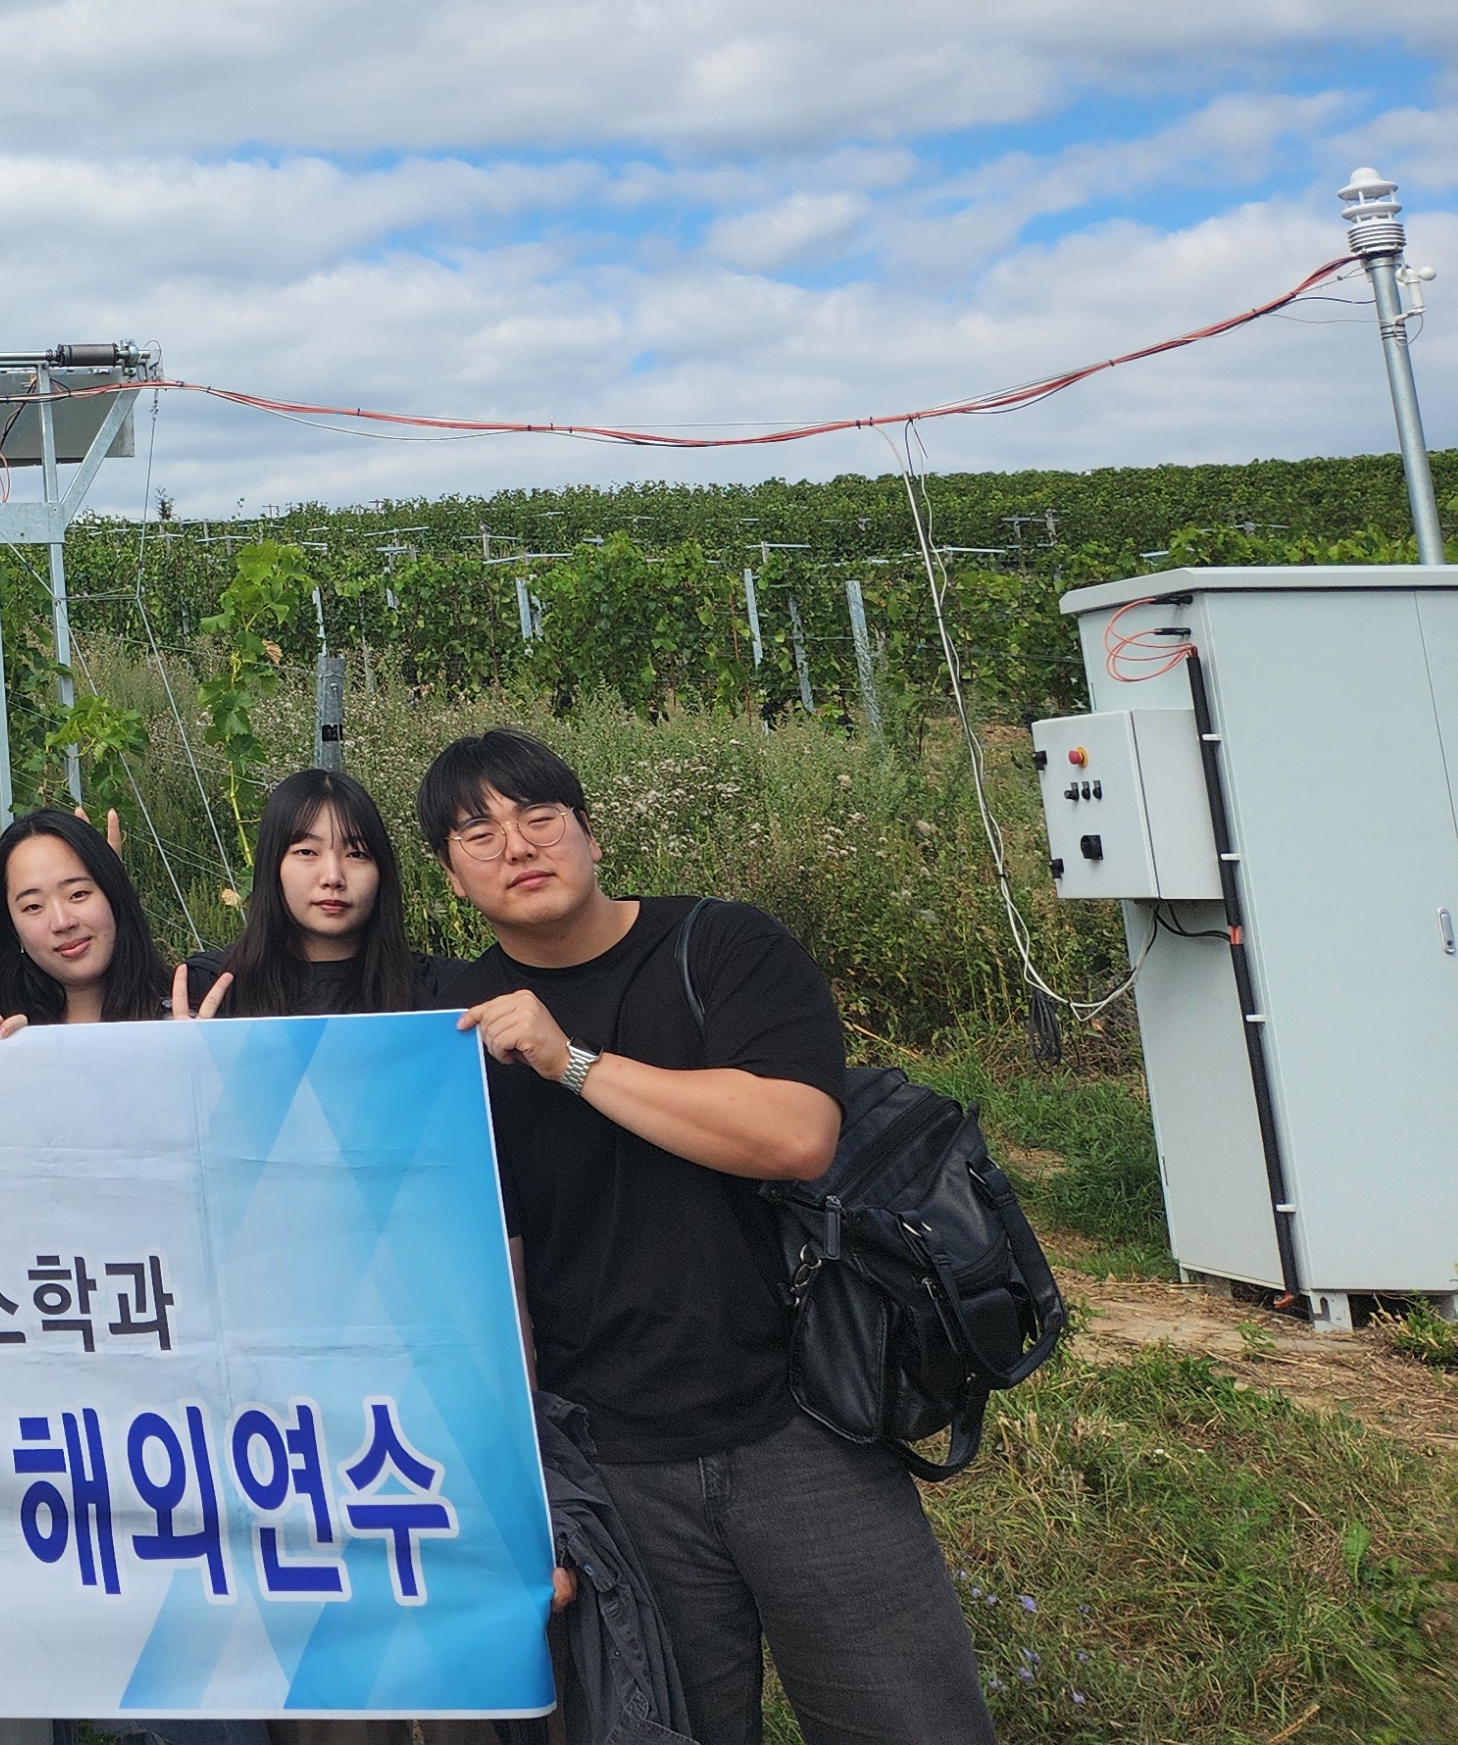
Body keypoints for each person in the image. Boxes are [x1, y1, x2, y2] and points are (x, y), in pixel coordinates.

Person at [425, 727, 993, 1745]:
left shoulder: (722, 948)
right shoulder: (446, 1023)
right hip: (612, 1461)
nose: (516, 845)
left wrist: (571, 1062)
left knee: (909, 1721)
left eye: (538, 817)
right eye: (478, 834)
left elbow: (794, 1134)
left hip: (805, 1425)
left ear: (590, 835)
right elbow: (460, 1253)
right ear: (451, 878)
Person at [182, 767, 460, 1020]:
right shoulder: (207, 990)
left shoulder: (448, 994)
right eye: (306, 852)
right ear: (271, 865)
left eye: (357, 854)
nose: (333, 877)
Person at [0, 805, 171, 1031]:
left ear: (114, 895)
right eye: (33, 906)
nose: (62, 922)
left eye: (78, 894)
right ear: (11, 927)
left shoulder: (192, 1010)